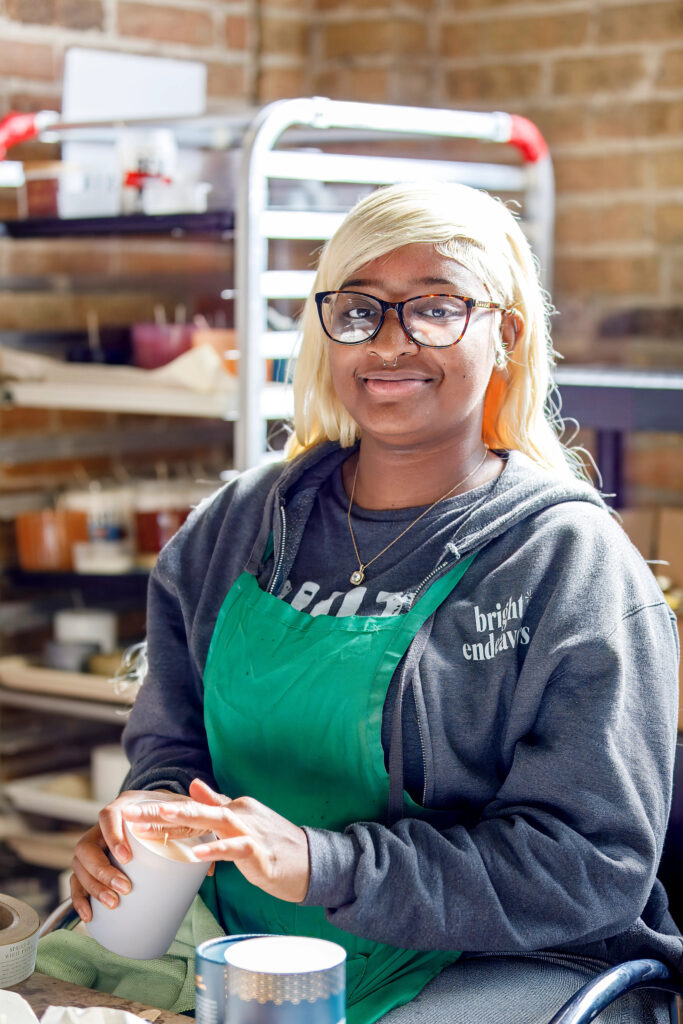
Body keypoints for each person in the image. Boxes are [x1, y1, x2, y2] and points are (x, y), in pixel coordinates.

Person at [69, 182, 681, 1023]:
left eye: (434, 309)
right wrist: (151, 821)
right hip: (235, 938)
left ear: (505, 333)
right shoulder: (239, 527)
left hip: (489, 964)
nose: (390, 344)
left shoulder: (565, 563)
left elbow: (588, 868)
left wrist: (323, 863)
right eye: (358, 311)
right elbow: (174, 750)